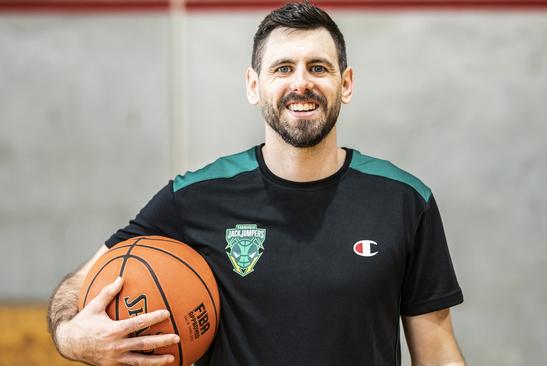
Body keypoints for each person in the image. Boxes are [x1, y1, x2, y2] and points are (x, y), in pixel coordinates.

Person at [47, 1, 465, 365]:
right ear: (254, 85)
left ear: (346, 83)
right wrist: (74, 338)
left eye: (318, 67)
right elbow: (77, 287)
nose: (301, 82)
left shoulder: (405, 200)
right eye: (283, 68)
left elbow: (438, 354)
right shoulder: (194, 198)